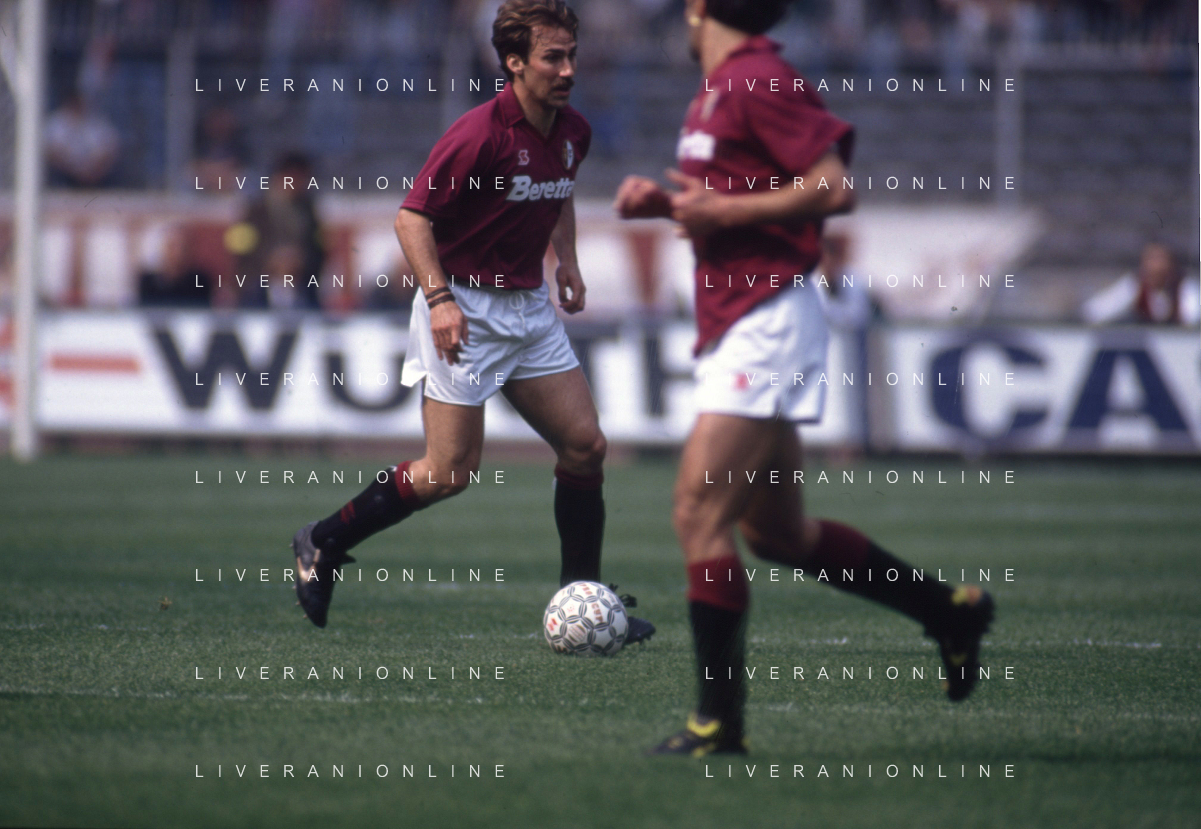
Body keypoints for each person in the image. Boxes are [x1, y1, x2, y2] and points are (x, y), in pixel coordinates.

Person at [615, 0, 993, 756]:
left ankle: (717, 724)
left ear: (698, 8)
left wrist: (720, 211)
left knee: (696, 510)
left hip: (764, 320)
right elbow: (732, 207)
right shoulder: (718, 87)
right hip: (738, 319)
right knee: (777, 532)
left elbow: (833, 188)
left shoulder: (758, 77)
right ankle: (948, 611)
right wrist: (674, 206)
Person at [291, 0, 655, 644]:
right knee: (448, 473)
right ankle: (323, 539)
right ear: (515, 63)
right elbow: (411, 218)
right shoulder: (479, 133)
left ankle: (587, 603)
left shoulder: (573, 130)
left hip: (529, 307)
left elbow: (558, 191)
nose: (568, 70)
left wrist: (567, 260)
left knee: (585, 447)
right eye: (552, 57)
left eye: (572, 55)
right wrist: (439, 300)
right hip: (466, 307)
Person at [1081, 242, 1200, 326]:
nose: (1156, 267)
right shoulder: (1135, 285)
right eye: (1151, 260)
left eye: (1161, 260)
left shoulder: (1184, 286)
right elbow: (1097, 311)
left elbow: (1193, 318)